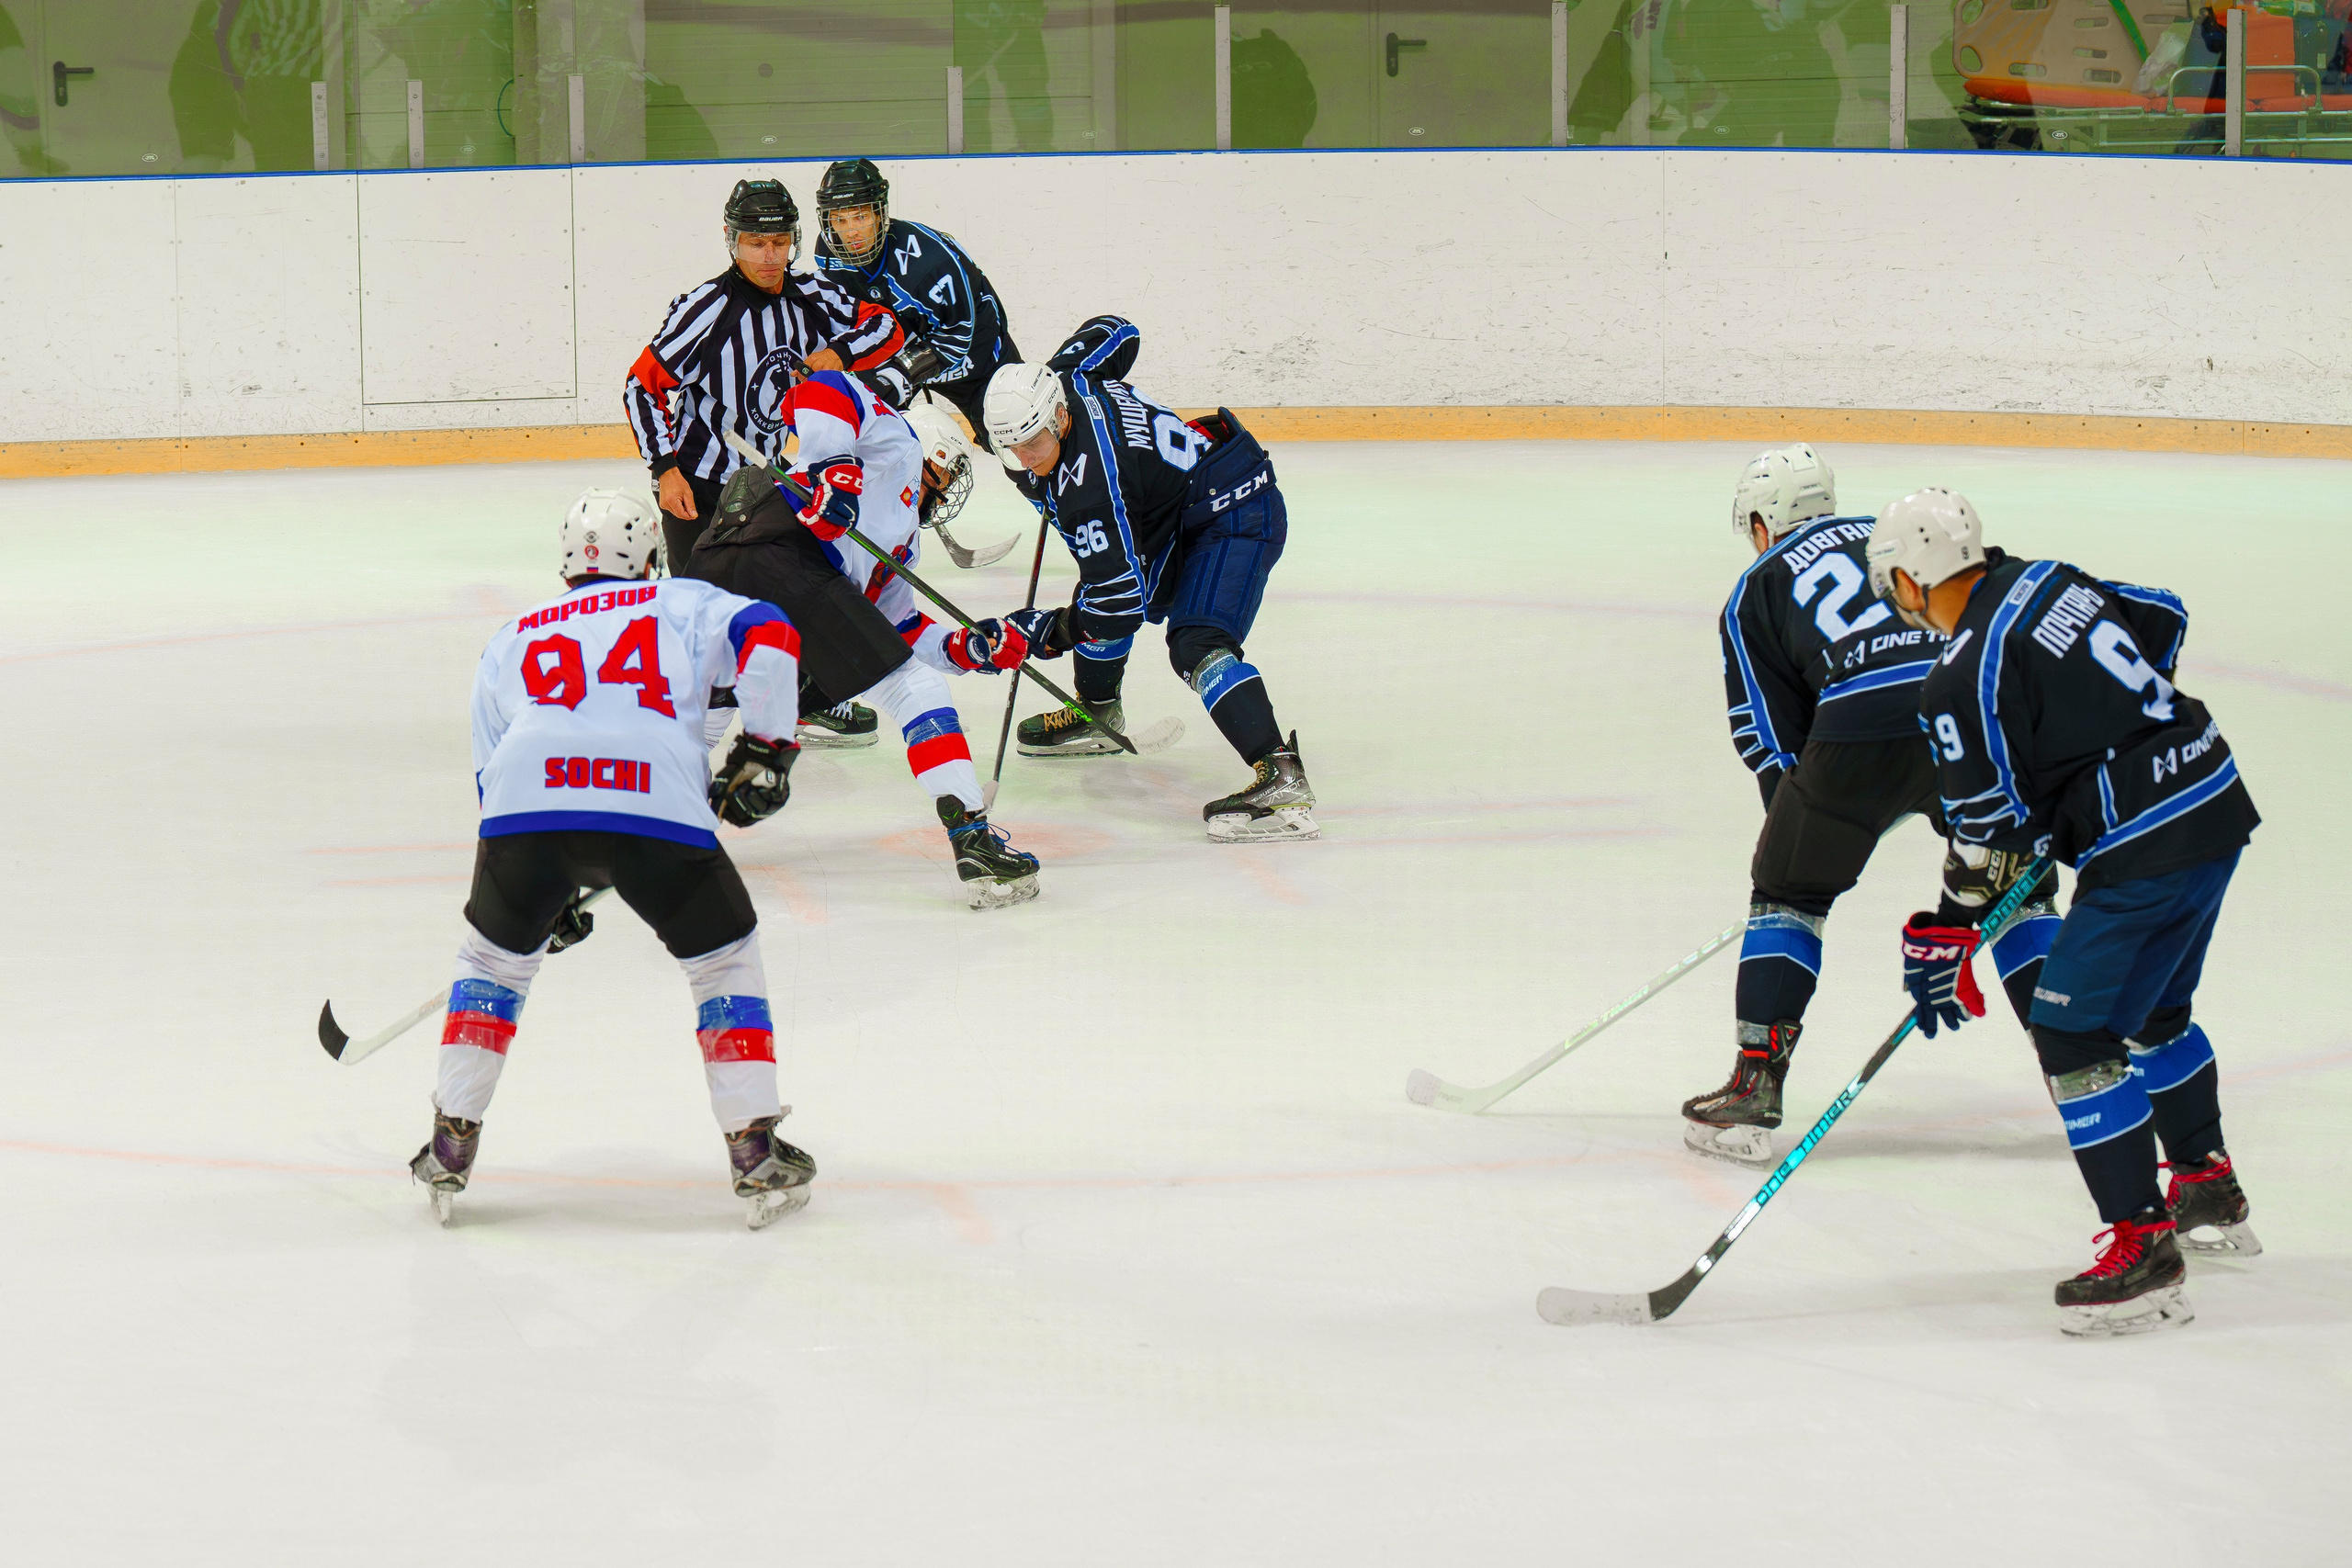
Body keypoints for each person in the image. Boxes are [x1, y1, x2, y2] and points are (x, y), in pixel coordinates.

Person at [1867, 487, 2263, 1337]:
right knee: (2159, 1010)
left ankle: (2145, 1249)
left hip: (2146, 848)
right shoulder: (2050, 578)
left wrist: (1946, 930)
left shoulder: (1959, 676)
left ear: (1909, 576)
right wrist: (2100, 727)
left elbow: (1986, 833)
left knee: (2074, 1034)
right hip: (2213, 797)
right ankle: (2205, 1183)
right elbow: (2164, 619)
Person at [410, 489, 816, 1230]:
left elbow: (488, 774)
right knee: (723, 959)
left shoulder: (512, 634)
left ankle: (450, 1139)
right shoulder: (685, 601)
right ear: (650, 557)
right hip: (652, 796)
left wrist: (540, 894)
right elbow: (774, 631)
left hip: (525, 809)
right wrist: (769, 747)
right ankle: (754, 1146)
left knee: (494, 964)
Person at [1685, 446, 2060, 1167]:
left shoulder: (1755, 586)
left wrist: (1800, 827)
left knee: (1788, 893)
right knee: (2019, 889)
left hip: (1852, 732)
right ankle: (2073, 1060)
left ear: (1762, 521)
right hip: (1964, 712)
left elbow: (1767, 734)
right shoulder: (1891, 535)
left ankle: (1756, 1080)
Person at [684, 368, 1044, 910]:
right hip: (782, 555)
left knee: (709, 703)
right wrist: (835, 470)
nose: (943, 493)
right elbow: (823, 388)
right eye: (945, 479)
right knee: (912, 689)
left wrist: (971, 648)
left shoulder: (899, 546)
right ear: (936, 459)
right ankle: (973, 840)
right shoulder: (898, 443)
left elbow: (896, 630)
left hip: (714, 566)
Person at [984, 317, 1317, 842]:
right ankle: (1099, 715)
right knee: (1097, 592)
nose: (1026, 460)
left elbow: (1118, 606)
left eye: (1036, 442)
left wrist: (1046, 633)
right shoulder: (1070, 378)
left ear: (1059, 418)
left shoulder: (1092, 487)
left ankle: (1279, 774)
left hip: (1234, 510)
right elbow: (1119, 330)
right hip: (1173, 509)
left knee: (1196, 641)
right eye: (1012, 448)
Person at [621, 176, 907, 750]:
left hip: (767, 487)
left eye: (779, 242)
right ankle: (671, 733)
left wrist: (838, 352)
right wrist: (665, 469)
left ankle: (803, 699)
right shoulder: (706, 309)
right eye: (756, 242)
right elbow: (640, 385)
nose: (769, 256)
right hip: (700, 489)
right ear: (731, 240)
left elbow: (888, 327)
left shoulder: (810, 295)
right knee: (702, 621)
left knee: (789, 599)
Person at [810, 158, 1022, 448]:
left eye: (861, 217)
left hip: (973, 353)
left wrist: (901, 371)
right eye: (840, 220)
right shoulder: (828, 254)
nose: (851, 233)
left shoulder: (930, 264)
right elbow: (851, 319)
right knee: (872, 440)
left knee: (1014, 442)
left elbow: (956, 335)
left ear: (880, 213)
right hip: (898, 345)